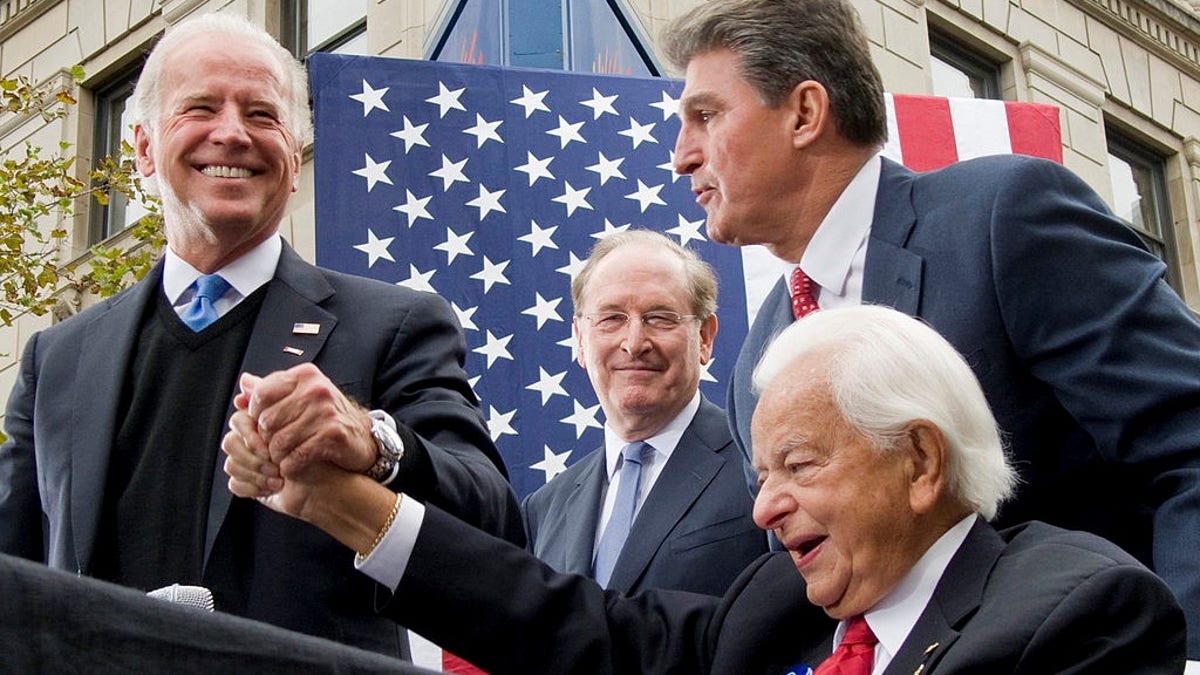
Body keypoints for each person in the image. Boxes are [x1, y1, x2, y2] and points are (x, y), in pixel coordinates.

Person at [224, 305, 1186, 674]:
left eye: (799, 467)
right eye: (762, 476)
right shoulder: (777, 610)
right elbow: (572, 624)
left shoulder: (1079, 613)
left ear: (922, 462)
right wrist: (341, 505)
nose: (764, 508)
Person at [662, 0, 1200, 655]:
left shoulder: (1004, 219)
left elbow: (1188, 441)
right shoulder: (755, 370)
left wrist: (1184, 653)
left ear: (804, 112)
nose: (681, 156)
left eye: (706, 116)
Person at [0, 12, 522, 658]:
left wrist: (375, 443)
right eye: (200, 107)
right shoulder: (58, 359)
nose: (231, 134)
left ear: (296, 159)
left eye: (262, 114)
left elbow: (494, 525)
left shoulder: (395, 324)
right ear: (141, 148)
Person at [521, 230, 765, 596]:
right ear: (580, 341)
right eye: (611, 319)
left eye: (659, 318)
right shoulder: (545, 509)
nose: (634, 343)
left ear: (705, 338)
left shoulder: (760, 466)